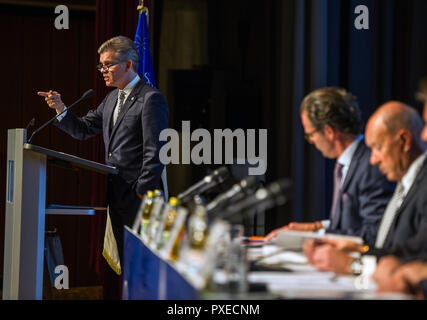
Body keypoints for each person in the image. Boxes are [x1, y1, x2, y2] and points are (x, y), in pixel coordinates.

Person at [37, 36, 169, 269]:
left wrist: (141, 192)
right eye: (101, 65)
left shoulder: (150, 99)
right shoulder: (110, 100)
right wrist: (60, 108)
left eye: (108, 64)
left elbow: (155, 151)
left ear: (128, 65)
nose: (102, 70)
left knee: (144, 267)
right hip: (116, 195)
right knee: (128, 265)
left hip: (140, 199)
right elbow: (83, 130)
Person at [304, 101, 427, 275]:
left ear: (404, 140)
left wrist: (355, 263)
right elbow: (395, 247)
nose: (373, 160)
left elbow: (417, 254)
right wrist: (361, 249)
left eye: (378, 147)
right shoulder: (405, 182)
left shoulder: (422, 184)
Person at [266, 87, 394, 246]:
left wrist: (319, 236)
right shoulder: (347, 163)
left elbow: (375, 232)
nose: (311, 141)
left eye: (310, 134)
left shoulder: (371, 165)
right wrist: (314, 228)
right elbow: (352, 224)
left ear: (328, 131)